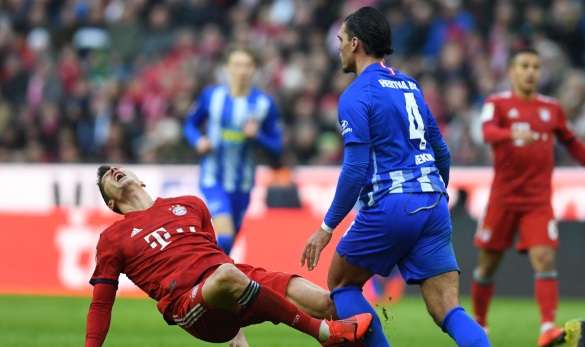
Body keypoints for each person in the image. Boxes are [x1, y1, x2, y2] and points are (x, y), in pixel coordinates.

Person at [300, 7, 490, 347]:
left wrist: (326, 228)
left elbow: (356, 170)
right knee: (447, 308)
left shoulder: (357, 95)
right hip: (433, 203)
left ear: (355, 43)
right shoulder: (409, 85)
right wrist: (431, 194)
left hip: (392, 203)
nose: (339, 47)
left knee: (342, 285)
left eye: (341, 40)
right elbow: (441, 151)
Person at [85, 165, 372, 347]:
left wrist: (238, 326)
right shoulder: (112, 239)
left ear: (141, 180)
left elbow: (217, 257)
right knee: (225, 276)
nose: (110, 171)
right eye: (105, 178)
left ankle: (340, 332)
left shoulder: (189, 204)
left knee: (326, 303)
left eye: (114, 168)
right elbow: (100, 306)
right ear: (111, 202)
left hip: (233, 281)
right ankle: (323, 334)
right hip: (189, 304)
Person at [471, 47, 585, 347]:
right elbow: (488, 132)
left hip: (538, 201)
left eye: (535, 67)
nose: (530, 72)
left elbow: (573, 144)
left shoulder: (551, 108)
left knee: (544, 259)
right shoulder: (498, 103)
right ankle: (479, 324)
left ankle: (546, 327)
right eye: (524, 66)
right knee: (487, 265)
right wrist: (513, 134)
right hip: (502, 199)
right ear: (512, 71)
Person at [184, 47, 283, 255]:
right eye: (237, 65)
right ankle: (202, 279)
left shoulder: (264, 104)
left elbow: (277, 147)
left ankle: (209, 280)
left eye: (247, 65)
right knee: (226, 236)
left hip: (243, 185)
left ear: (254, 69)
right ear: (227, 69)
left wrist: (258, 137)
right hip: (213, 178)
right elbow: (189, 125)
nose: (242, 71)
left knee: (227, 247)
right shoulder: (212, 96)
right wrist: (198, 140)